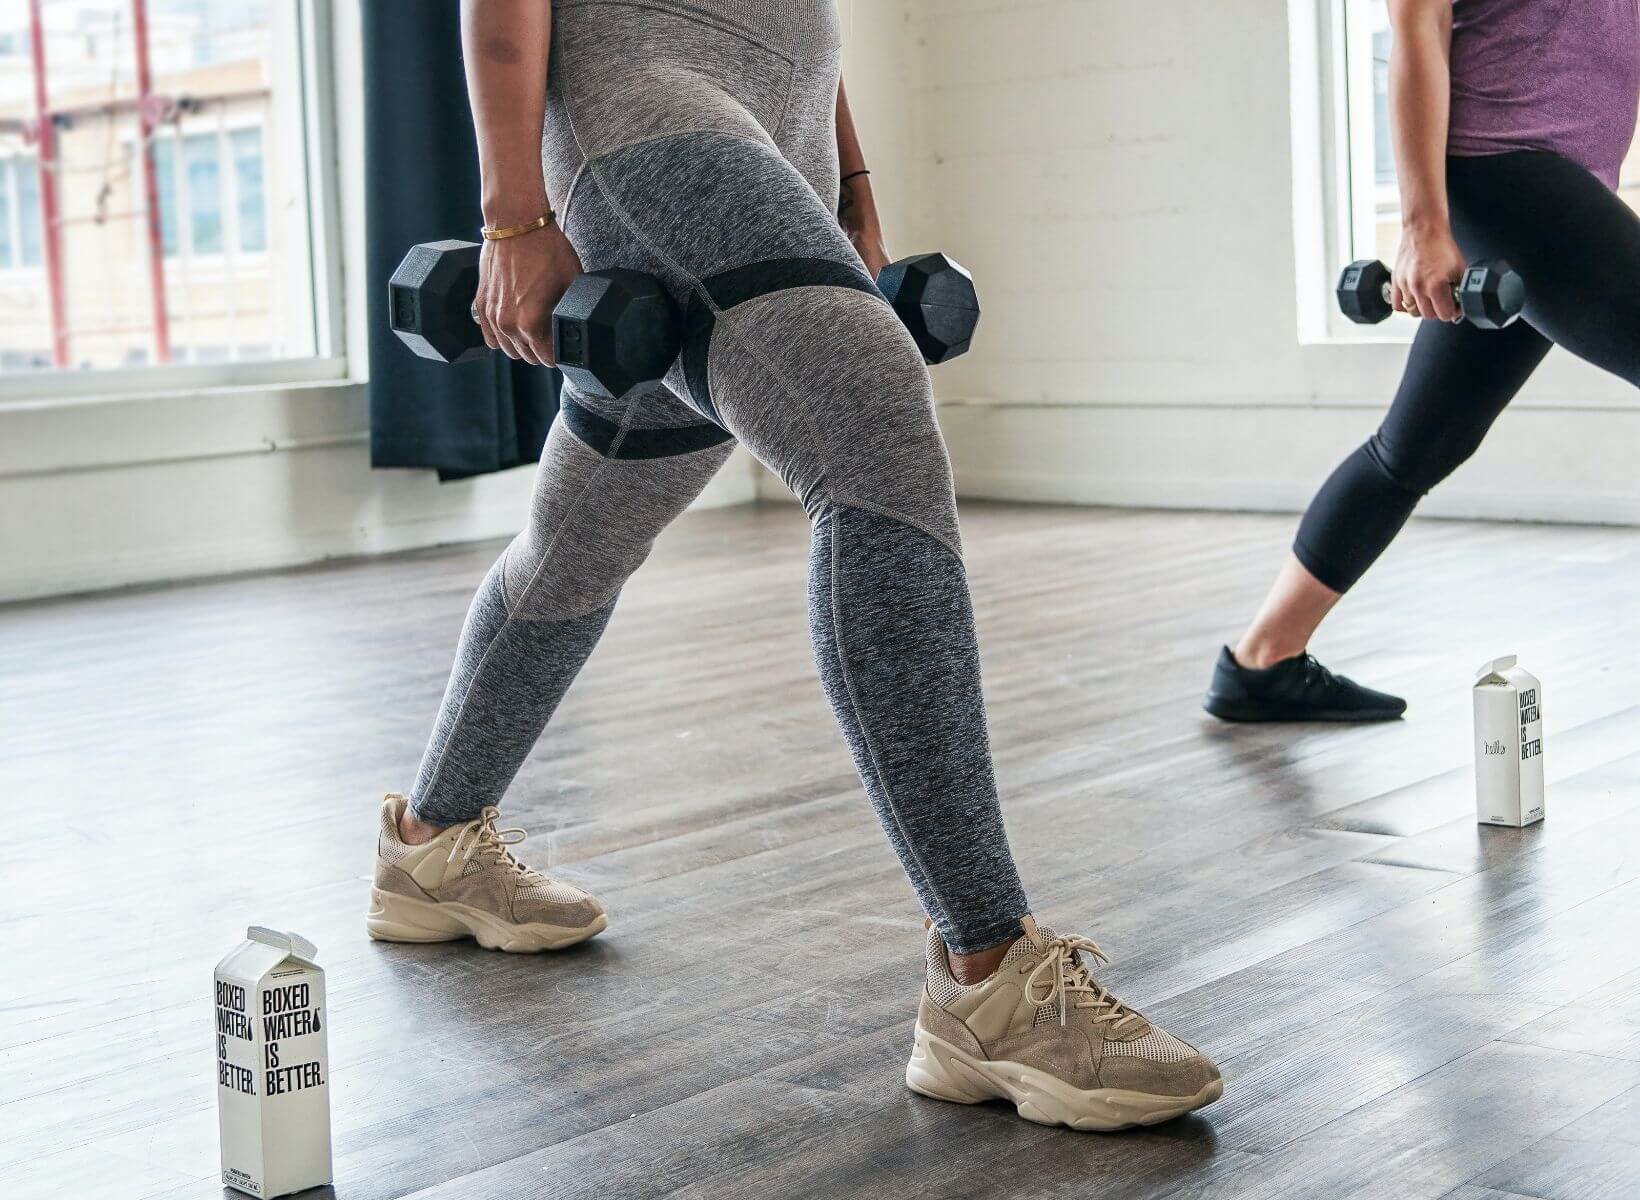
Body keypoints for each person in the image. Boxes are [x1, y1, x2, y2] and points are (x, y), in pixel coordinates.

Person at [364, 0, 1221, 1130]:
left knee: (590, 520)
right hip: (648, 112)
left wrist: (849, 184)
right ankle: (987, 978)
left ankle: (428, 848)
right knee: (867, 425)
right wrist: (513, 216)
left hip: (777, 125)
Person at [1206, 0, 1640, 723]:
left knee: (1417, 444)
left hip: (1562, 187)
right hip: (1508, 175)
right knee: (1414, 446)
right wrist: (1423, 226)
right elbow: (1417, 28)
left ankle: (1263, 660)